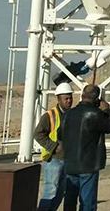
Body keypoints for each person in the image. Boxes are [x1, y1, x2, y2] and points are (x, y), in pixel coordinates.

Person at [58, 84, 110, 211]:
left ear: (82, 96)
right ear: (97, 99)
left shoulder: (68, 114)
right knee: (87, 202)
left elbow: (59, 135)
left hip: (70, 163)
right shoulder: (96, 114)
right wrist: (107, 110)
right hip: (88, 164)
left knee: (69, 199)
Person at [34, 82, 74, 211]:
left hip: (67, 159)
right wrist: (54, 146)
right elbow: (38, 134)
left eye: (70, 98)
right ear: (58, 99)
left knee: (60, 193)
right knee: (50, 191)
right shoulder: (49, 116)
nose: (69, 101)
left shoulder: (73, 114)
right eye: (66, 98)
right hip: (53, 160)